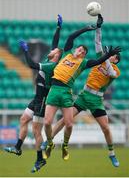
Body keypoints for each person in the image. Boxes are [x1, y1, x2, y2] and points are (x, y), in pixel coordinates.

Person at [42, 14, 121, 167]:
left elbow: (110, 72)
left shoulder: (115, 70)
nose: (111, 56)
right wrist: (98, 28)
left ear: (116, 60)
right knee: (65, 120)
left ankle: (112, 153)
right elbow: (98, 44)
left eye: (114, 56)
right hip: (84, 96)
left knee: (105, 128)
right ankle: (48, 141)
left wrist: (107, 57)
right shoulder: (99, 58)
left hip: (97, 100)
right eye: (111, 55)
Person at [4, 14, 63, 173]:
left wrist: (25, 50)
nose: (52, 49)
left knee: (36, 130)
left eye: (55, 51)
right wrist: (58, 27)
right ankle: (18, 148)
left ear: (56, 56)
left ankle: (39, 160)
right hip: (36, 98)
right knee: (23, 119)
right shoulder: (51, 60)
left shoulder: (50, 66)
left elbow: (30, 64)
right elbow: (55, 42)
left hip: (43, 100)